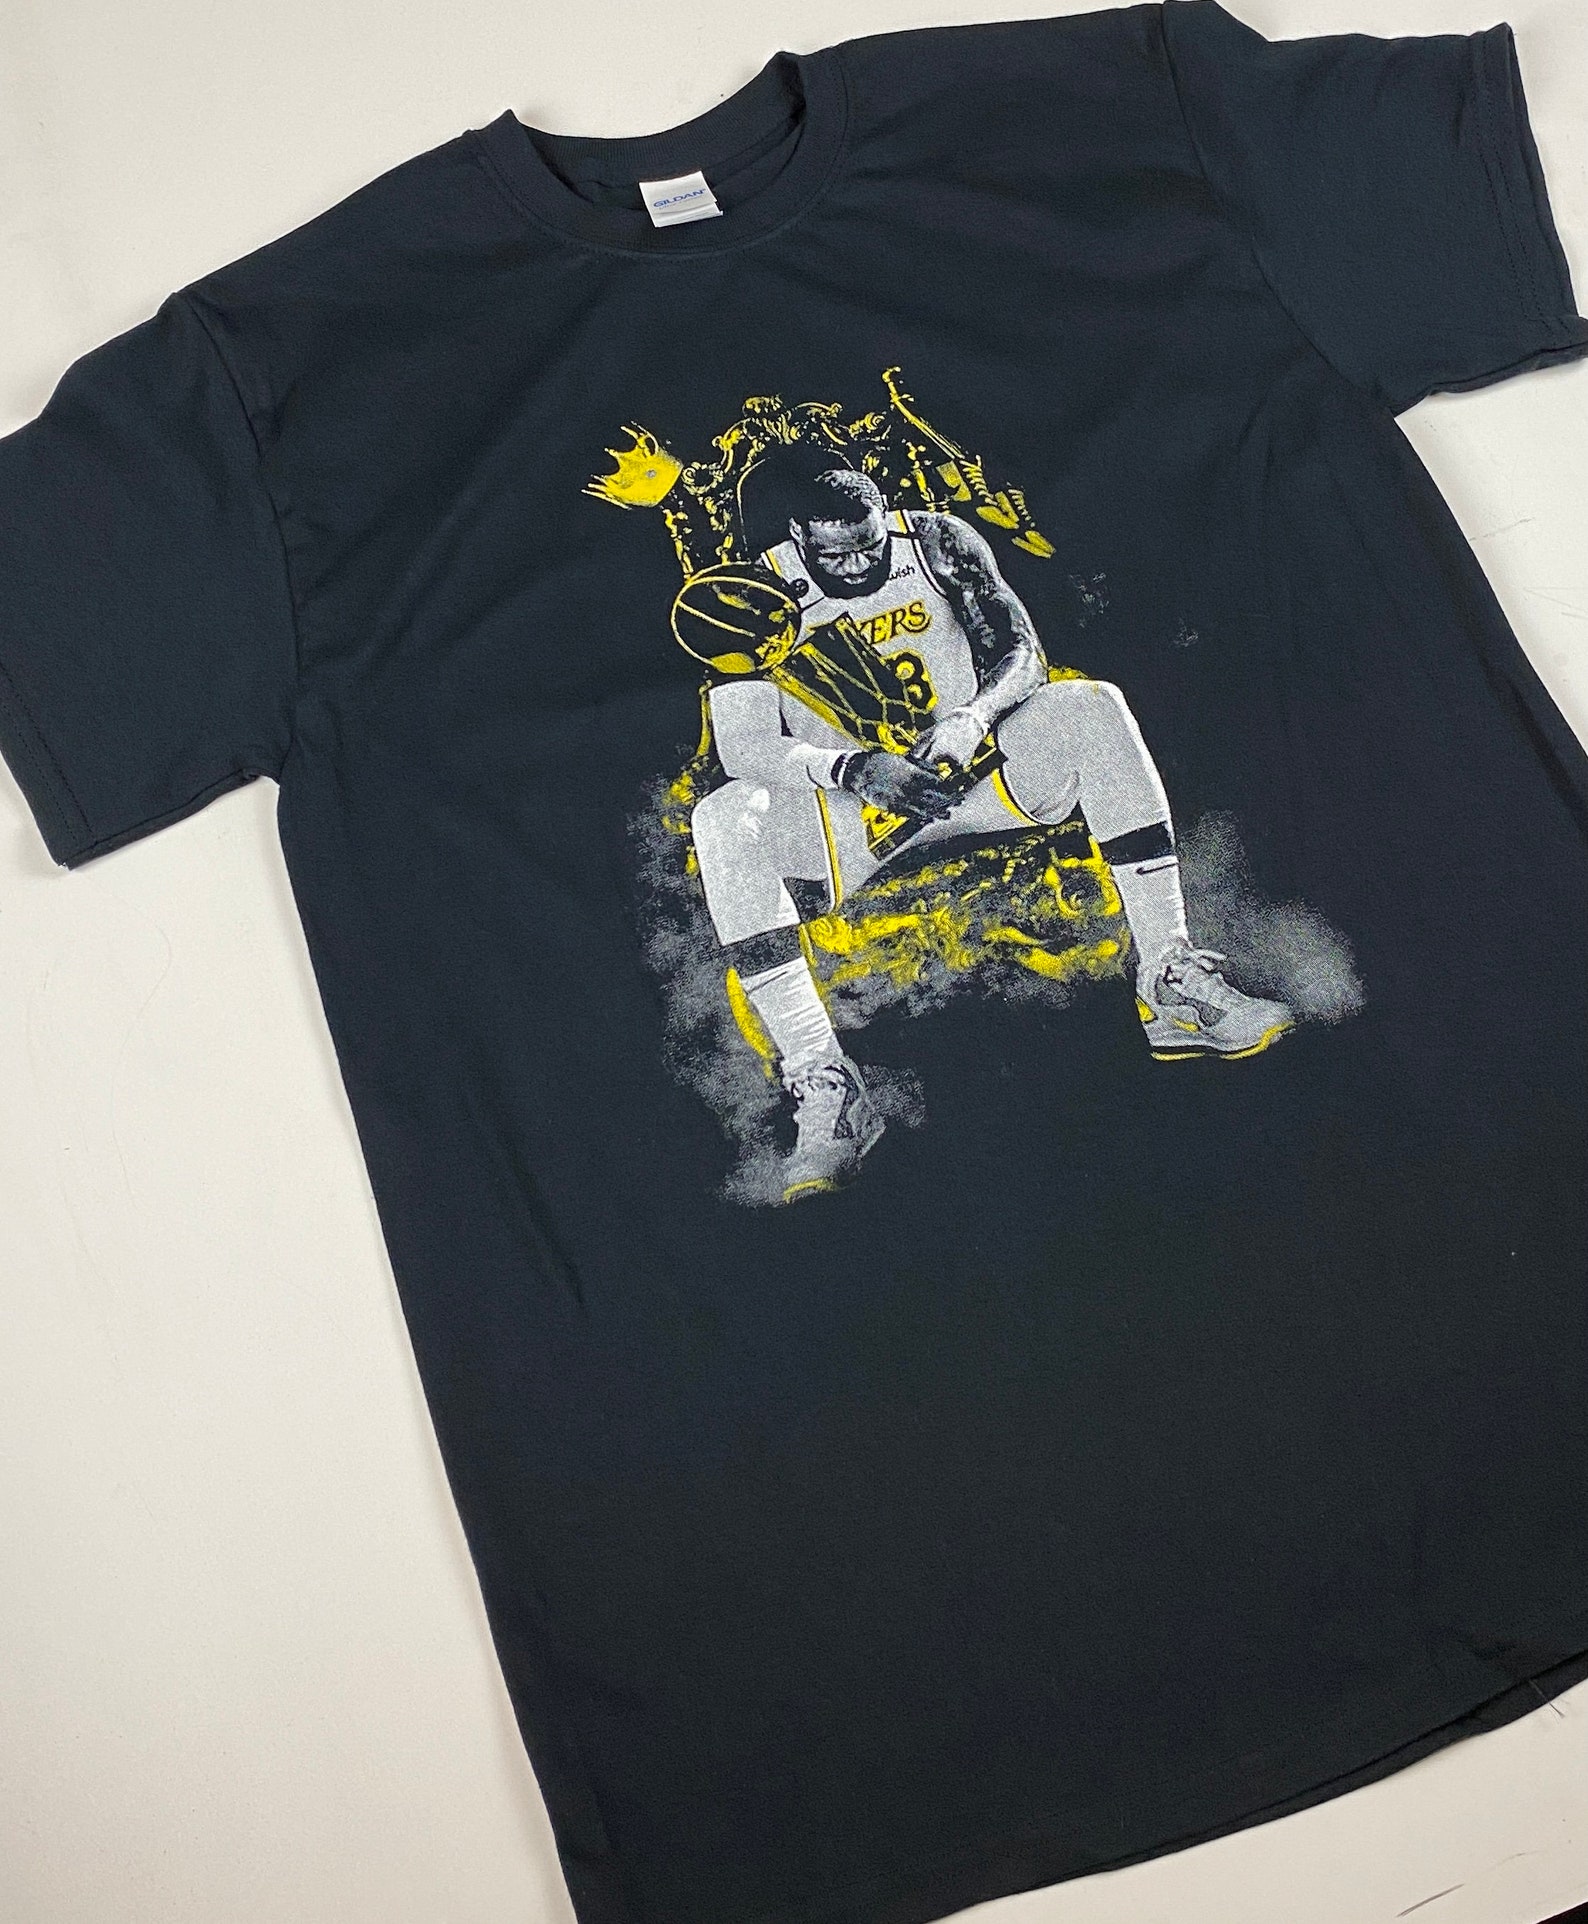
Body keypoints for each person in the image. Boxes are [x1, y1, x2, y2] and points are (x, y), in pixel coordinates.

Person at [689, 464, 1293, 1201]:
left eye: (868, 547)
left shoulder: (935, 540)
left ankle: (1169, 978)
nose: (854, 566)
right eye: (834, 556)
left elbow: (1023, 653)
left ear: (885, 518)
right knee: (723, 817)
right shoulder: (754, 587)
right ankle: (826, 1082)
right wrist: (852, 768)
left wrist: (971, 717)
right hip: (854, 808)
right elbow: (744, 746)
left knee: (1091, 704)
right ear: (797, 538)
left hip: (970, 769)